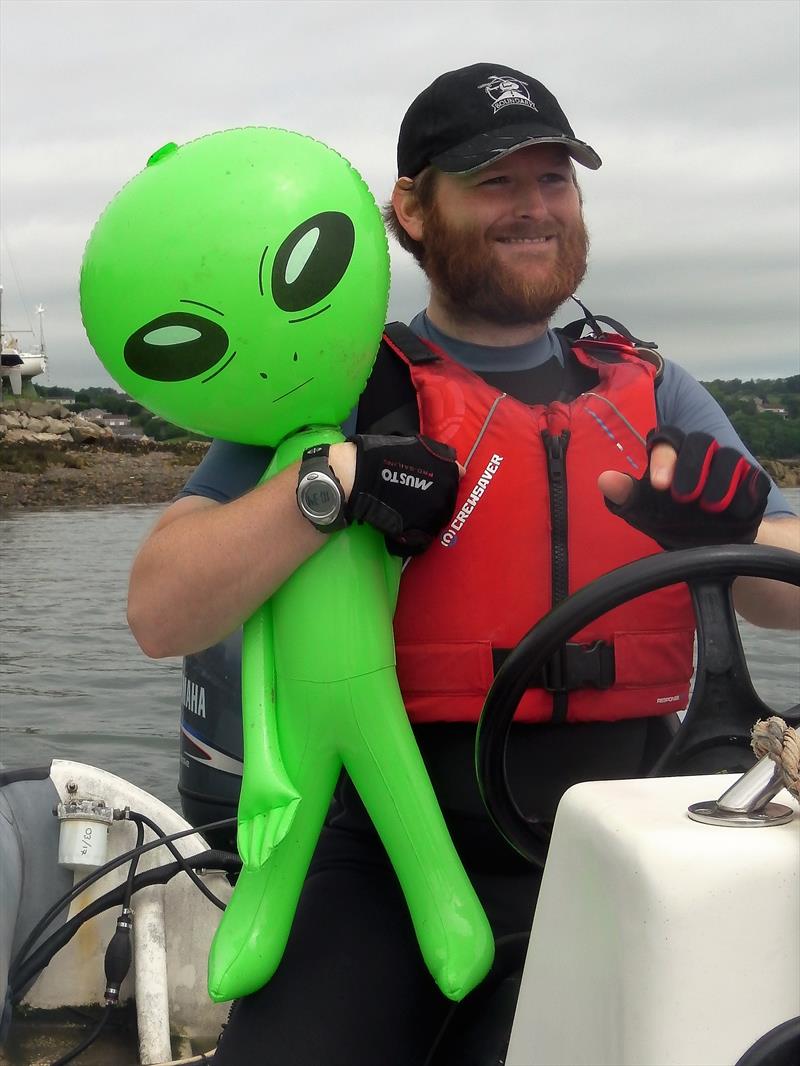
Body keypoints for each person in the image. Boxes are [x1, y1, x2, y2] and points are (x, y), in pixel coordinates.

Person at [127, 63, 799, 1065]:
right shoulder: (345, 389)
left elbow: (778, 589)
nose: (533, 207)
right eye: (494, 181)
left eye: (554, 180)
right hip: (384, 853)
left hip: (620, 836)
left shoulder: (653, 390)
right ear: (409, 206)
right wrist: (331, 486)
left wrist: (741, 520)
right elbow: (160, 610)